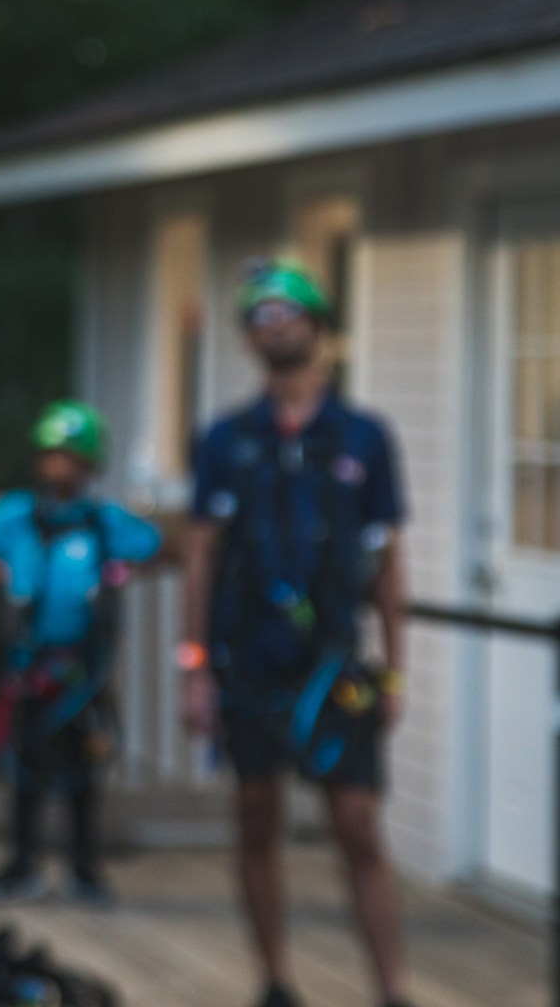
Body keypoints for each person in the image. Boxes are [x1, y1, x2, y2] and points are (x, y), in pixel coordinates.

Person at [180, 260, 412, 1007]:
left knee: (359, 828)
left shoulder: (365, 437)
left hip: (336, 663)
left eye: (287, 312)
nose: (274, 325)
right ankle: (275, 980)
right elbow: (200, 554)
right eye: (259, 315)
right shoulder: (225, 439)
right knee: (256, 819)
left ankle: (393, 987)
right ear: (249, 338)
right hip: (249, 661)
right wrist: (193, 666)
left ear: (318, 325)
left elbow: (388, 560)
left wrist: (398, 669)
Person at [0, 400, 160, 907]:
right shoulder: (19, 515)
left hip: (84, 668)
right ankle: (23, 863)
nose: (57, 466)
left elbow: (156, 548)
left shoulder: (105, 524)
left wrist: (118, 576)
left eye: (67, 456)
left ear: (88, 463)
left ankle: (84, 867)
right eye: (49, 455)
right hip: (29, 663)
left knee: (85, 768)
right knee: (26, 766)